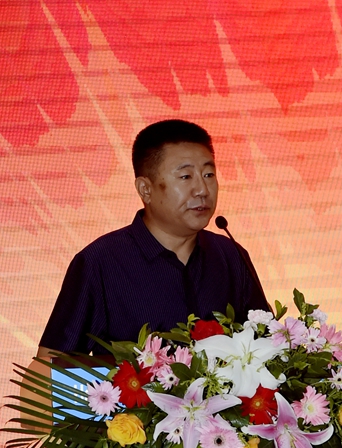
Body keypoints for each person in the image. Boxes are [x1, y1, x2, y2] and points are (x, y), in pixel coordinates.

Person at [36, 119, 269, 357]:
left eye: (208, 174)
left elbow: (270, 349)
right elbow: (48, 366)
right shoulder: (100, 263)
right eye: (185, 177)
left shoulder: (230, 255)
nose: (202, 189)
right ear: (145, 189)